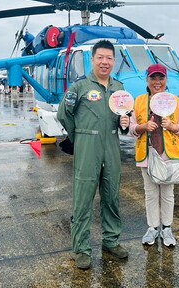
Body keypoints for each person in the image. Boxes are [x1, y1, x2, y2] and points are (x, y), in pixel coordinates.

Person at [57, 40, 129, 270]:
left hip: (111, 144)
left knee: (111, 196)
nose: (105, 62)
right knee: (83, 199)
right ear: (93, 59)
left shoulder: (119, 88)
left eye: (109, 58)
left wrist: (125, 123)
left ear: (114, 61)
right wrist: (78, 136)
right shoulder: (79, 88)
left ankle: (111, 241)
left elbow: (122, 118)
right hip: (87, 145)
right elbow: (63, 114)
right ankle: (82, 249)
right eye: (100, 58)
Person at [128, 64, 179, 247]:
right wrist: (142, 127)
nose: (157, 82)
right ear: (147, 80)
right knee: (151, 193)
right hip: (147, 154)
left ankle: (167, 228)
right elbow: (131, 129)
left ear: (166, 80)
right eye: (153, 78)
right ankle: (153, 227)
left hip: (168, 154)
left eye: (161, 78)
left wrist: (172, 127)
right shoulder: (138, 102)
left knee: (168, 193)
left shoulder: (175, 102)